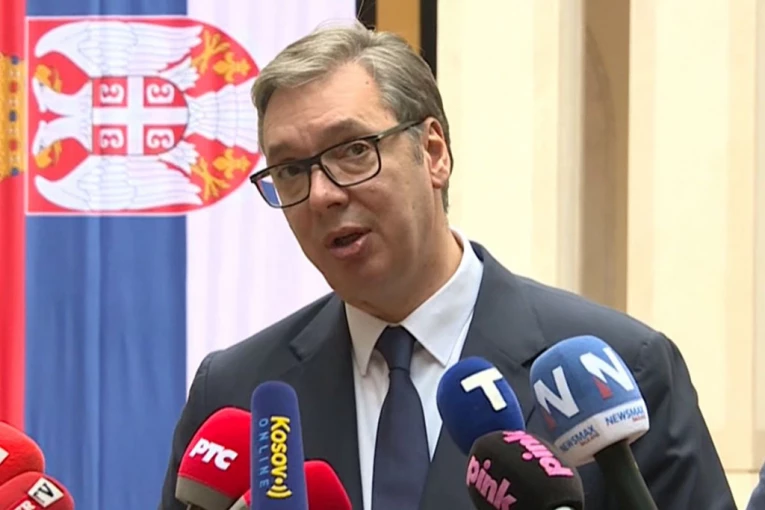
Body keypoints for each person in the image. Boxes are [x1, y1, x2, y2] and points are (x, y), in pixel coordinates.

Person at [158, 20, 736, 510]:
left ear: (433, 152)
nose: (323, 194)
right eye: (290, 170)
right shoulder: (235, 391)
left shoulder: (623, 369)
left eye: (353, 151)